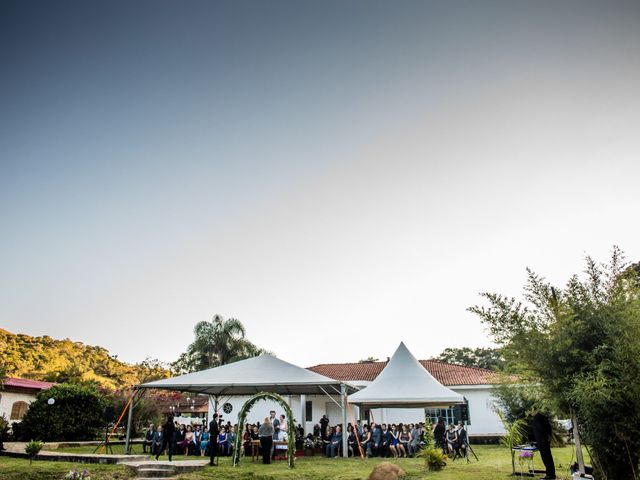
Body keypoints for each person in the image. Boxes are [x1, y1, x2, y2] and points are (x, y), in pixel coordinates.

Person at [533, 411, 556, 480]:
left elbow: (540, 430)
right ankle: (550, 474)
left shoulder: (538, 417)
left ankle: (550, 475)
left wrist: (541, 440)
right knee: (548, 458)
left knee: (546, 459)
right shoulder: (542, 417)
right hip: (544, 441)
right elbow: (549, 429)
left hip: (542, 441)